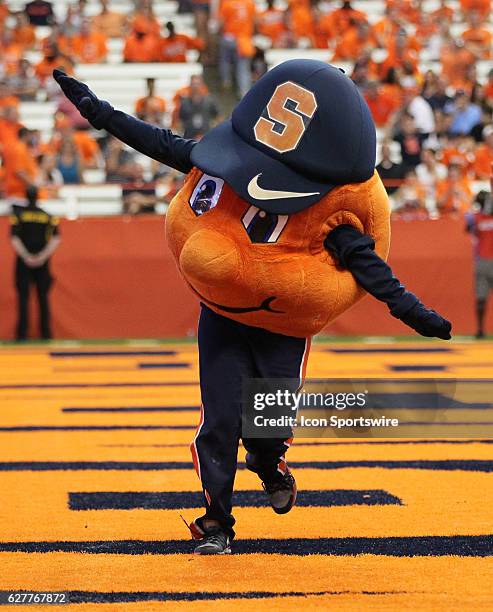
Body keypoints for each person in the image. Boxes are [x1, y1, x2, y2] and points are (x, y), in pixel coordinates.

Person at [54, 61, 451, 555]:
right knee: (218, 420)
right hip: (223, 315)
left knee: (268, 423)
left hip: (281, 323)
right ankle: (216, 521)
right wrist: (101, 114)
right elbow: (160, 143)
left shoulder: (327, 203)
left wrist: (410, 310)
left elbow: (364, 259)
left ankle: (269, 464)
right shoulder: (233, 160)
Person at [10, 186, 61, 340]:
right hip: (42, 262)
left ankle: (22, 334)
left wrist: (26, 256)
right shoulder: (47, 216)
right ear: (38, 196)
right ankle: (46, 333)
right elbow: (56, 239)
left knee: (23, 298)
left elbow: (14, 238)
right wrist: (42, 257)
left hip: (23, 261)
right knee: (43, 298)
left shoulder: (19, 215)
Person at [467, 182, 493, 338]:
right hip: (482, 260)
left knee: (481, 299)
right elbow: (468, 225)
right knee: (481, 299)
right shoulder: (476, 217)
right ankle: (480, 329)